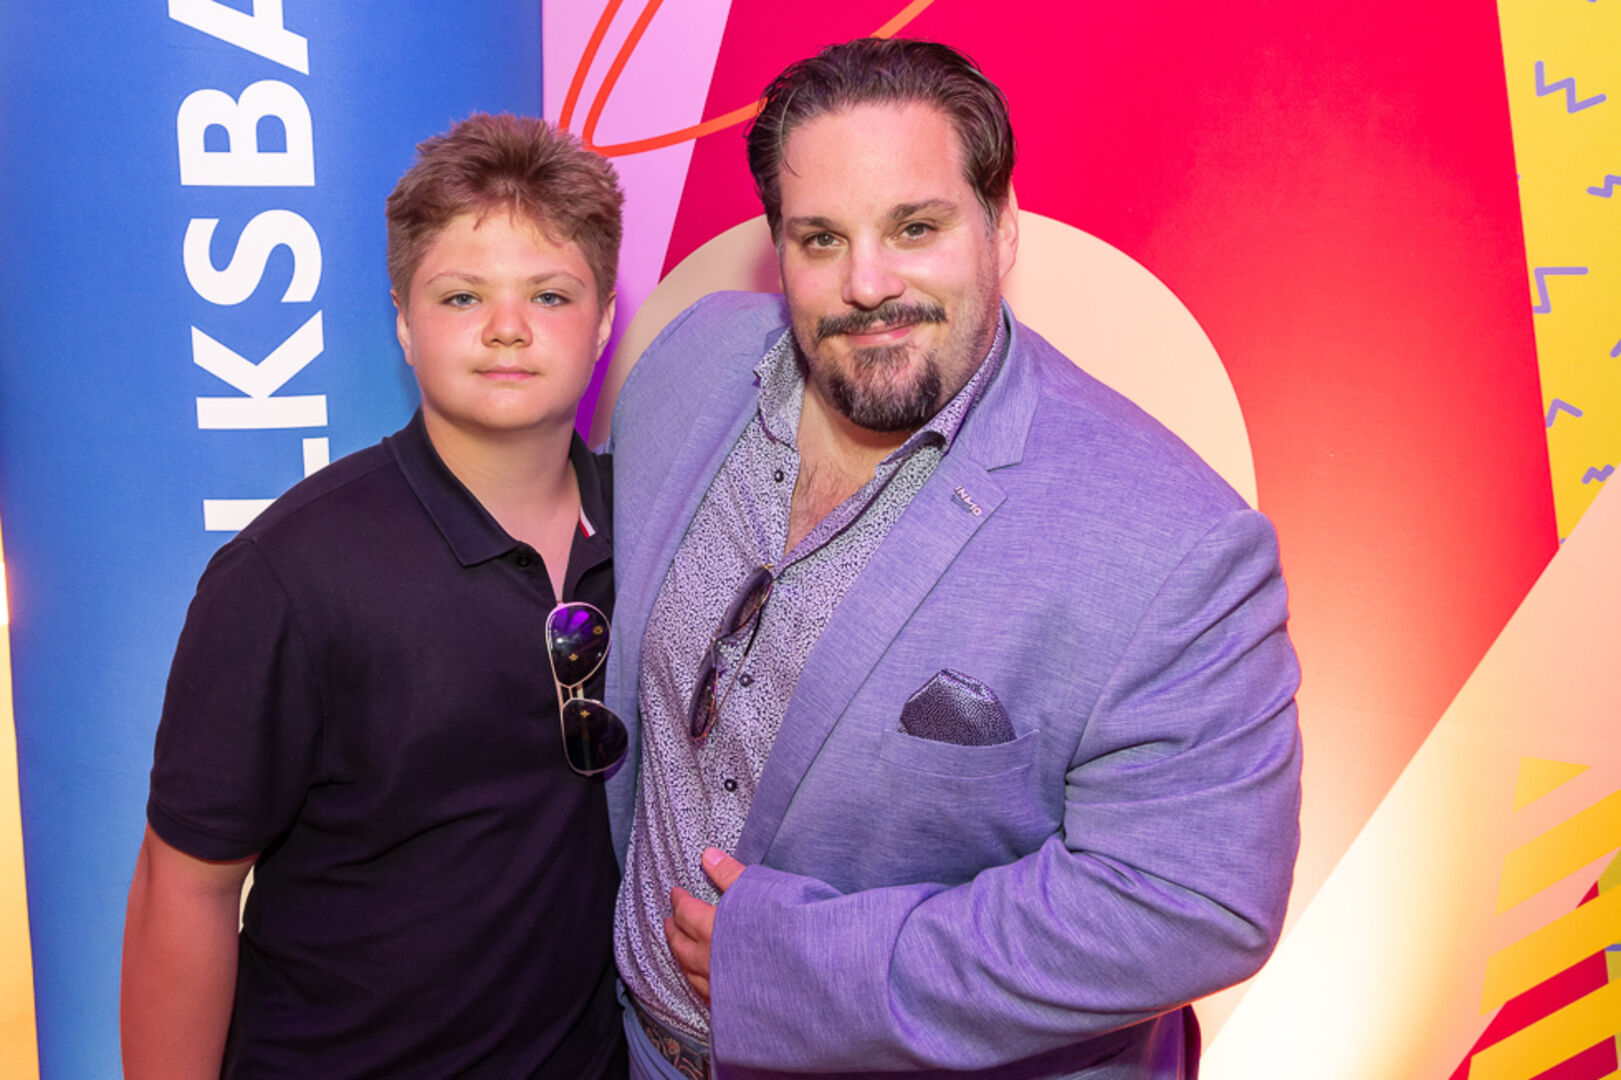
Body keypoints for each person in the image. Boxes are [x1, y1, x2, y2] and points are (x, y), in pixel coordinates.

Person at [605, 38, 1303, 1079]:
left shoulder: (1173, 542)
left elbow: (1190, 900)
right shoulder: (689, 363)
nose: (867, 283)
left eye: (914, 227)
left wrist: (804, 969)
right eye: (820, 238)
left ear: (1001, 225)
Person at [121, 113, 630, 1078]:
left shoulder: (656, 525)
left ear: (604, 318)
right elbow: (182, 889)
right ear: (403, 320)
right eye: (461, 295)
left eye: (550, 294)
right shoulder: (287, 575)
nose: (507, 327)